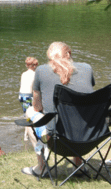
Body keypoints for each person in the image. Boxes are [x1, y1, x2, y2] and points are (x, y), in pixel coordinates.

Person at [23, 41, 95, 176]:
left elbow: (37, 107)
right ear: (68, 54)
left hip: (57, 139)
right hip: (88, 135)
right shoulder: (87, 68)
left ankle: (41, 167)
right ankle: (78, 164)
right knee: (77, 111)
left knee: (30, 112)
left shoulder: (41, 70)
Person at [19, 57, 39, 143]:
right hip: (28, 97)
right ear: (34, 66)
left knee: (27, 115)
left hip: (21, 96)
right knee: (29, 117)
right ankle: (26, 137)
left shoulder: (23, 74)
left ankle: (27, 134)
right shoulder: (35, 74)